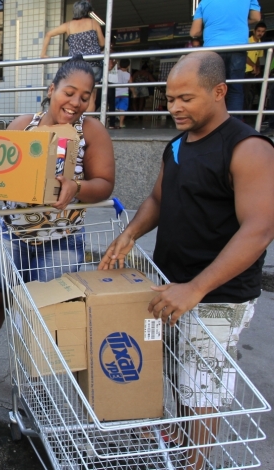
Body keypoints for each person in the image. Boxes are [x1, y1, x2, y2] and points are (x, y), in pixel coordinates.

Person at [99, 51, 274, 470]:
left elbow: (259, 229)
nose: (174, 107)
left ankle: (194, 463)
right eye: (170, 98)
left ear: (219, 92)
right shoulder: (177, 144)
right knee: (173, 369)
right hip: (169, 285)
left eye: (186, 99)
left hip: (216, 296)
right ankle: (175, 439)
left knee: (202, 389)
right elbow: (160, 198)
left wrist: (195, 288)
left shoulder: (248, 149)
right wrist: (129, 234)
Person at [0, 55, 115, 367]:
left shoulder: (91, 132)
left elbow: (104, 183)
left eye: (85, 96)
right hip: (13, 234)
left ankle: (38, 384)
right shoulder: (23, 126)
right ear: (52, 89)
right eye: (69, 91)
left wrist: (76, 187)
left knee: (49, 314)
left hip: (62, 240)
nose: (76, 102)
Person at [190, 0, 262, 115]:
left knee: (212, 89)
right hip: (237, 47)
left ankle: (213, 125)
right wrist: (239, 22)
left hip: (212, 50)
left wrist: (211, 27)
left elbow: (194, 32)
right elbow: (256, 18)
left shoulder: (204, 2)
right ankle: (234, 128)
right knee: (235, 90)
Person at [41, 0, 105, 113]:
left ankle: (74, 121)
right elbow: (102, 43)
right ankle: (86, 126)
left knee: (72, 94)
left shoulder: (68, 25)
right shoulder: (93, 23)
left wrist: (43, 54)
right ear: (87, 12)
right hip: (93, 64)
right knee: (90, 97)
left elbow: (48, 34)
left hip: (75, 64)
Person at [245, 22, 267, 111]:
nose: (260, 33)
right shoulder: (247, 41)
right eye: (258, 31)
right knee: (245, 95)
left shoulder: (260, 43)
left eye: (262, 31)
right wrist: (253, 66)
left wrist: (257, 68)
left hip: (253, 72)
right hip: (245, 71)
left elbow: (258, 57)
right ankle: (242, 116)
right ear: (254, 31)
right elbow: (244, 55)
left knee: (257, 93)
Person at [115, 59, 132, 128]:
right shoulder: (128, 75)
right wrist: (134, 93)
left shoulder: (116, 73)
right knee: (122, 108)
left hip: (115, 94)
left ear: (119, 65)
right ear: (128, 66)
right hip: (124, 94)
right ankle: (121, 123)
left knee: (114, 108)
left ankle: (111, 121)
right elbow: (131, 85)